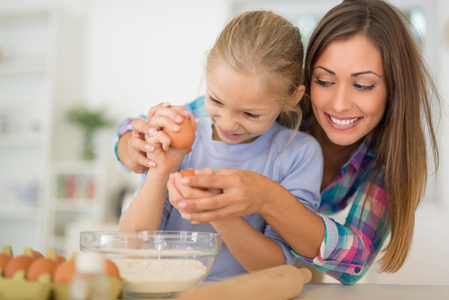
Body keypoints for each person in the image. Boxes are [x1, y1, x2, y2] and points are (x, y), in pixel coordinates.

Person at [114, 0, 440, 285]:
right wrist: (136, 147)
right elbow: (150, 130)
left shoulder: (318, 154)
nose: (339, 104)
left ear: (394, 88)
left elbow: (353, 259)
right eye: (324, 80)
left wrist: (263, 199)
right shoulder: (233, 112)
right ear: (303, 85)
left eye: (364, 85)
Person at [118, 10, 323, 281]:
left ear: (292, 98)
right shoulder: (180, 141)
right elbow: (133, 244)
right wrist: (160, 171)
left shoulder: (299, 154)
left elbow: (276, 267)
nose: (227, 124)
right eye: (215, 101)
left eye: (250, 114)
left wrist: (217, 212)